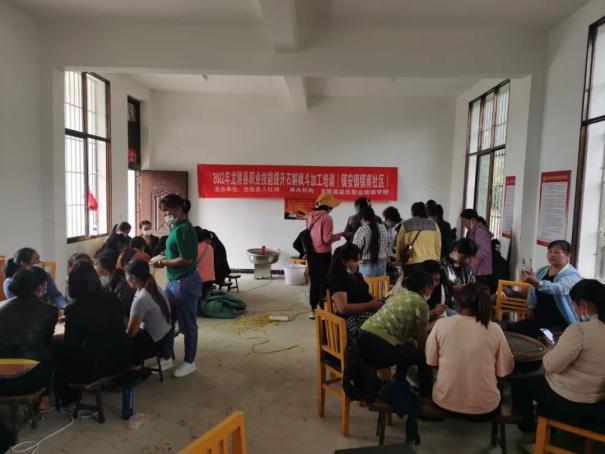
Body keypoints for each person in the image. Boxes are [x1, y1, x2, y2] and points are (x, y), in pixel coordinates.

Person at [512, 279, 605, 433]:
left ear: (584, 304)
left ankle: (530, 429)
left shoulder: (579, 330)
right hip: (598, 404)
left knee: (520, 383)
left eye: (573, 305)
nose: (574, 310)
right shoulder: (588, 330)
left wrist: (553, 346)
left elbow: (550, 366)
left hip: (570, 402)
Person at [426, 283, 514, 417]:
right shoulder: (494, 329)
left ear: (458, 302)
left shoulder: (441, 324)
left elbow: (431, 361)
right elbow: (504, 370)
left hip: (444, 402)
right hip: (485, 408)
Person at [54, 262, 131, 404]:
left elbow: (72, 346)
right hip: (121, 357)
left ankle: (66, 398)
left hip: (98, 367)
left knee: (56, 351)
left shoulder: (74, 309)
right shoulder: (112, 297)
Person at [357, 270, 434, 397]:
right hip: (377, 347)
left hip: (362, 338)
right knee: (423, 357)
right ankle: (426, 398)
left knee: (407, 346)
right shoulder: (421, 304)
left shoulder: (399, 295)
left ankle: (400, 382)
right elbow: (422, 343)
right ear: (427, 289)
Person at [151, 194, 201, 378]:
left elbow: (186, 259)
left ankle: (189, 362)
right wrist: (164, 255)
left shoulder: (185, 229)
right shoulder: (175, 227)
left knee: (188, 325)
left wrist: (163, 263)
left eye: (167, 211)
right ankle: (166, 357)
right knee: (168, 320)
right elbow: (175, 251)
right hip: (173, 282)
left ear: (178, 209)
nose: (165, 215)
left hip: (185, 282)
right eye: (163, 211)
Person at [0, 268, 58, 397]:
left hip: (1, 382)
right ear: (40, 286)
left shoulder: (1, 306)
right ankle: (45, 398)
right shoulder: (49, 311)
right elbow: (46, 345)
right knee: (51, 351)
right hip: (29, 379)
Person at [508, 240, 581, 339]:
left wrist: (537, 283)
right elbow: (532, 290)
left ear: (568, 255)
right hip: (538, 321)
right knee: (509, 329)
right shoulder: (542, 271)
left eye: (557, 252)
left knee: (548, 338)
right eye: (550, 251)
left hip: (559, 324)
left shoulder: (573, 275)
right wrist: (530, 307)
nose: (552, 254)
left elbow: (558, 288)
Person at [327, 244, 383, 334]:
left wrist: (375, 300)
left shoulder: (355, 274)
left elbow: (364, 291)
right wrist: (370, 305)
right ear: (343, 262)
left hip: (365, 313)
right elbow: (343, 308)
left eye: (358, 260)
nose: (358, 263)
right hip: (352, 319)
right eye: (355, 260)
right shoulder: (337, 278)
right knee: (385, 327)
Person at [306, 193, 347, 320]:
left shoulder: (310, 215)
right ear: (329, 206)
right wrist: (340, 235)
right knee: (324, 281)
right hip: (323, 255)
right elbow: (327, 239)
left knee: (314, 281)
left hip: (311, 253)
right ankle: (324, 309)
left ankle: (313, 309)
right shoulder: (327, 218)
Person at [125, 260, 172, 365]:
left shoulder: (141, 299)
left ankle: (134, 368)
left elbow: (131, 333)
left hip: (154, 344)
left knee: (120, 342)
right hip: (165, 337)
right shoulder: (155, 287)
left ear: (132, 278)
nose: (125, 279)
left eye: (126, 276)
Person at [3, 247, 67, 309]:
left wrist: (64, 306)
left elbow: (55, 295)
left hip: (44, 311)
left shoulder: (45, 275)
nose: (40, 262)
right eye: (36, 259)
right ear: (24, 264)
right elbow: (19, 305)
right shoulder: (10, 283)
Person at [396, 202, 441, 276]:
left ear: (413, 212)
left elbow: (400, 244)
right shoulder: (434, 225)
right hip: (431, 263)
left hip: (413, 263)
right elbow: (438, 245)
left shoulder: (406, 224)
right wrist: (437, 259)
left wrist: (399, 260)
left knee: (413, 283)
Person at [352, 208, 390, 277]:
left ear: (362, 218)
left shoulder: (362, 229)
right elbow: (387, 245)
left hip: (366, 265)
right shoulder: (383, 228)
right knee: (380, 284)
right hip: (382, 265)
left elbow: (355, 249)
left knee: (366, 284)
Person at [460, 209, 493, 288]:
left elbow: (483, 251)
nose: (463, 224)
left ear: (473, 220)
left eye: (464, 221)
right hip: (475, 270)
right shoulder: (472, 231)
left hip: (481, 271)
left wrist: (473, 265)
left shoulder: (480, 231)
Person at [439, 238, 477, 306]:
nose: (466, 261)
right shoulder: (442, 266)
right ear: (455, 250)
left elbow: (473, 286)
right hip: (446, 305)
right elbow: (438, 292)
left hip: (464, 305)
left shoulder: (467, 269)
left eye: (468, 258)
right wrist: (451, 289)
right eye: (464, 257)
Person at [194, 227, 216, 301]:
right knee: (205, 298)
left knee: (198, 299)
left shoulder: (195, 248)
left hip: (200, 279)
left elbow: (191, 263)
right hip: (211, 278)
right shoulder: (210, 247)